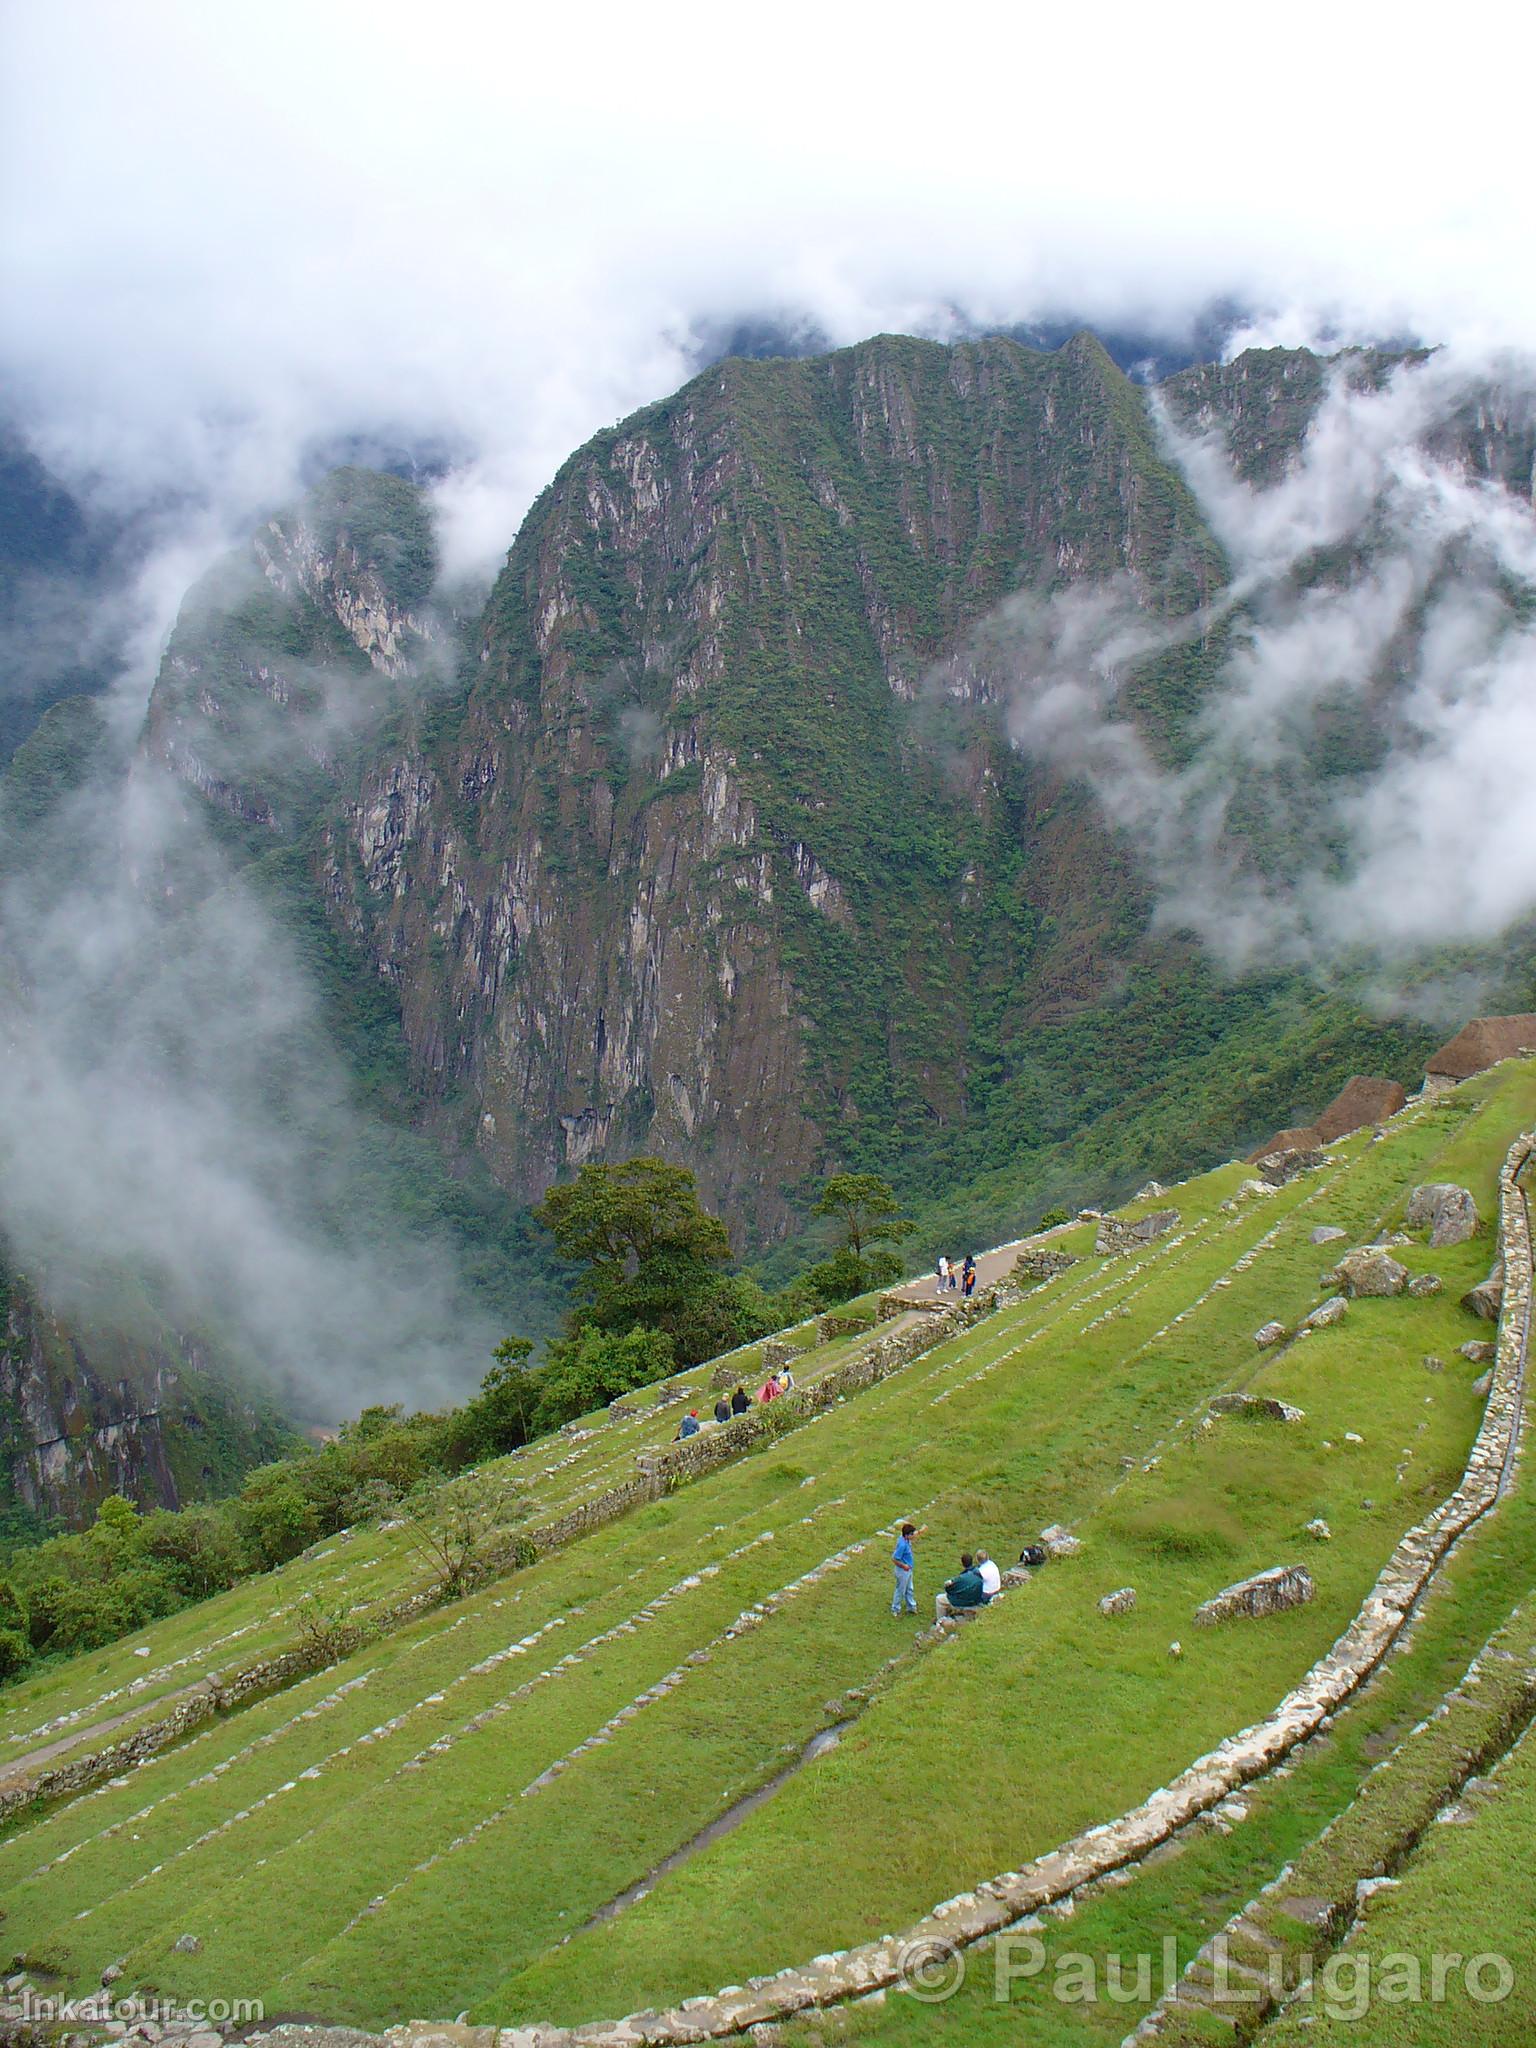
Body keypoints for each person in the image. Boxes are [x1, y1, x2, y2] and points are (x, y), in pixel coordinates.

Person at [935, 1551, 989, 1624]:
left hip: (963, 1602)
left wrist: (948, 1584)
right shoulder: (979, 1573)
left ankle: (941, 1622)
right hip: (976, 1600)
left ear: (962, 1563)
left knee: (940, 1599)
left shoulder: (961, 1578)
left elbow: (949, 1590)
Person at [890, 1521, 922, 1616]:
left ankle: (911, 1607)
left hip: (908, 1570)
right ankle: (895, 1609)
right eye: (912, 1534)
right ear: (907, 1535)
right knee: (900, 1590)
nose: (913, 1536)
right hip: (903, 1571)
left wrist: (921, 1531)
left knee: (909, 1589)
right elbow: (895, 1559)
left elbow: (915, 1534)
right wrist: (904, 1566)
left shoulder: (904, 1539)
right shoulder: (902, 1545)